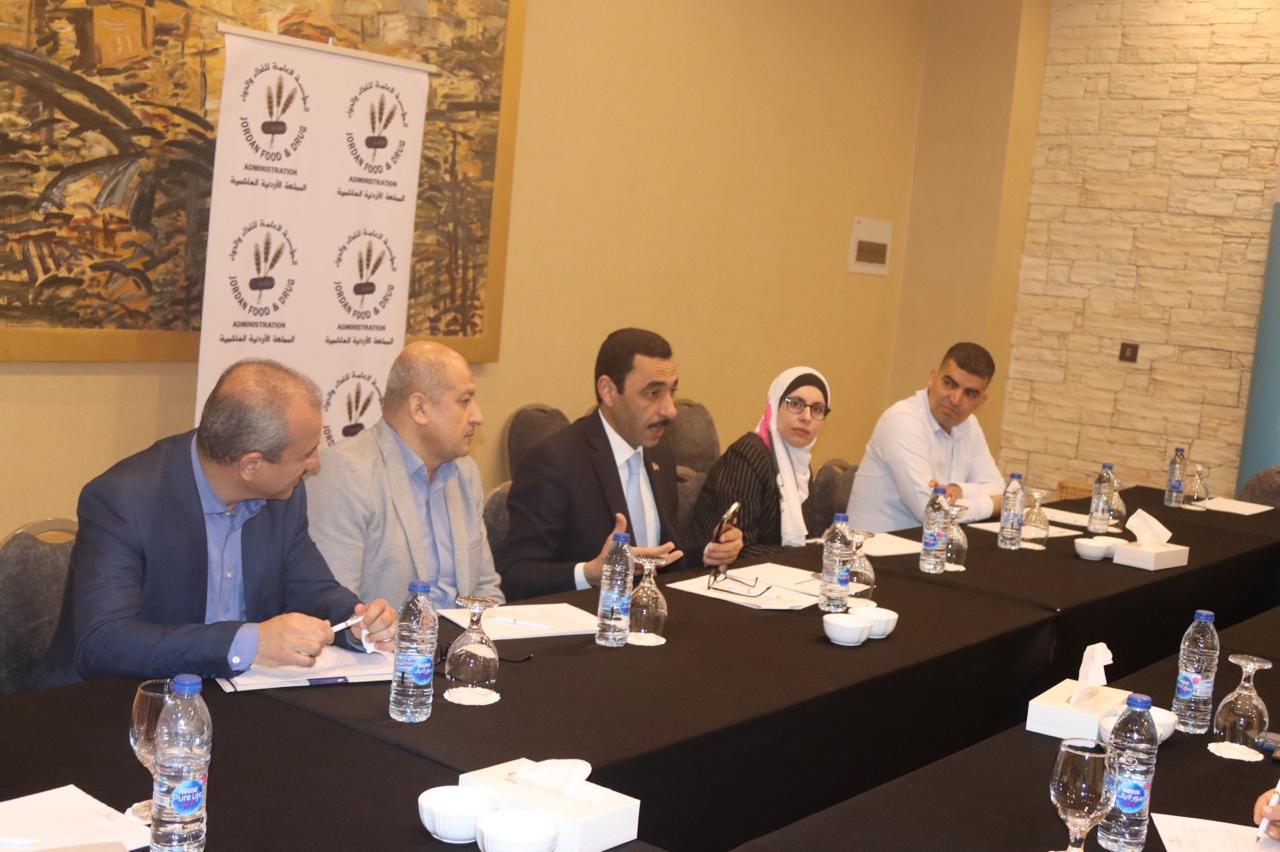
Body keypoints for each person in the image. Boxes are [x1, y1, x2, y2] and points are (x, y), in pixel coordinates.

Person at [39, 359, 396, 686]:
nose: (316, 463)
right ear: (251, 465)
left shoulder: (283, 494)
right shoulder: (124, 499)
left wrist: (356, 622)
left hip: (238, 693)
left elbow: (312, 588)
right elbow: (103, 643)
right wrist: (250, 643)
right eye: (305, 454)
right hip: (120, 700)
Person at [500, 328, 743, 601]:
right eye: (653, 393)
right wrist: (589, 573)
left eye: (671, 392)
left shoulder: (660, 453)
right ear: (608, 391)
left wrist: (709, 552)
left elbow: (660, 556)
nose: (670, 410)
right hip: (586, 617)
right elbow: (515, 576)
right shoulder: (554, 462)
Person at [307, 341, 504, 610]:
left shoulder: (464, 471)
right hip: (386, 638)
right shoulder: (345, 473)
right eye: (464, 401)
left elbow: (486, 588)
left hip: (462, 634)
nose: (478, 416)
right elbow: (337, 609)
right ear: (419, 408)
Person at [846, 342, 1005, 533]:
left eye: (970, 394)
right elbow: (931, 513)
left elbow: (999, 489)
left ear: (981, 401)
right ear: (932, 378)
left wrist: (959, 489)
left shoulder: (969, 425)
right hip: (874, 546)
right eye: (949, 384)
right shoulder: (903, 420)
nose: (956, 399)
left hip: (929, 544)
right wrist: (993, 505)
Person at [688, 367, 831, 554]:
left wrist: (818, 545)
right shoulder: (747, 455)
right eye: (796, 404)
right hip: (710, 569)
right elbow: (739, 550)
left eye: (817, 409)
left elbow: (797, 542)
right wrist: (805, 554)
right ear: (775, 406)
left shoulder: (800, 467)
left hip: (770, 569)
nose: (806, 417)